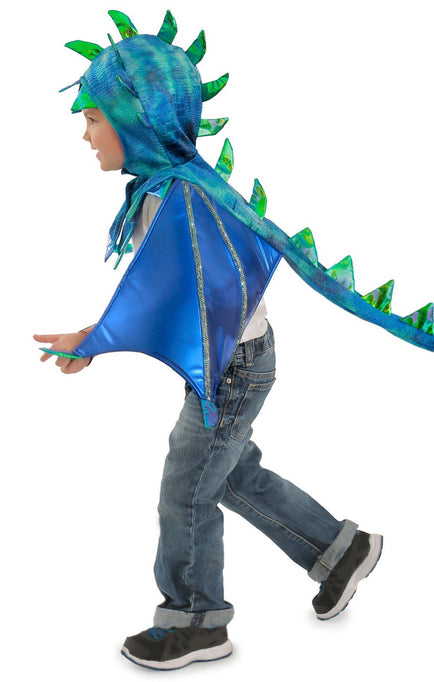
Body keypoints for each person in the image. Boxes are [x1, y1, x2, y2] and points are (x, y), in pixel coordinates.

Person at [34, 10, 383, 672]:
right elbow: (168, 287)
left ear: (137, 122)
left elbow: (178, 296)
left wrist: (97, 339)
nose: (85, 135)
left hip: (233, 366)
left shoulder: (179, 197)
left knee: (186, 491)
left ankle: (196, 620)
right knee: (229, 474)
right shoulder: (166, 186)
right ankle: (341, 551)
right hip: (236, 357)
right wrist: (97, 337)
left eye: (94, 119)